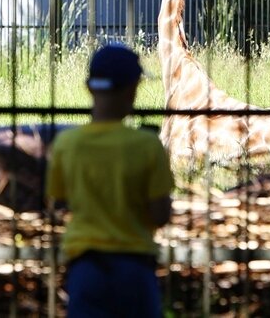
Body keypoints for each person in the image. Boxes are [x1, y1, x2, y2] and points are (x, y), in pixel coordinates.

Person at [46, 43, 174, 318]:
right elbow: (161, 214)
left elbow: (58, 201)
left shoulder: (67, 145)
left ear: (89, 88)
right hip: (135, 267)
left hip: (85, 267)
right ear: (133, 89)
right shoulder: (148, 146)